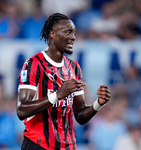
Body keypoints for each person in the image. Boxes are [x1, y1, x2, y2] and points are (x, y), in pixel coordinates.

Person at [16, 12, 111, 150]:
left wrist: (98, 104)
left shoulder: (74, 68)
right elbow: (22, 110)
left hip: (67, 146)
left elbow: (80, 116)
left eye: (74, 33)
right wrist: (58, 95)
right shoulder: (34, 64)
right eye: (68, 32)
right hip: (38, 145)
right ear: (53, 34)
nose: (73, 37)